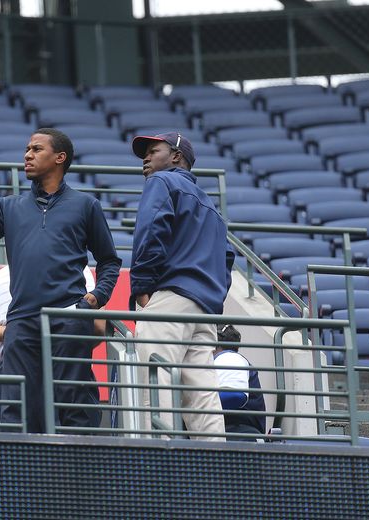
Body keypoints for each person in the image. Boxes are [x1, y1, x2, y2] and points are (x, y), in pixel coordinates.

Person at [0, 127, 121, 433]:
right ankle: (18, 474)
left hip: (68, 318)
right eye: (27, 149)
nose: (27, 155)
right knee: (15, 408)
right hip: (22, 321)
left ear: (60, 158)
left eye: (36, 149)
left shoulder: (85, 205)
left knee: (73, 406)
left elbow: (109, 262)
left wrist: (93, 300)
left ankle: (78, 476)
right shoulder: (9, 206)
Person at [130, 131, 235, 441]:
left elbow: (151, 231)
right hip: (203, 308)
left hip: (171, 297)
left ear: (176, 156)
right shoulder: (210, 204)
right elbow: (226, 257)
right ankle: (217, 467)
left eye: (153, 150)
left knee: (154, 381)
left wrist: (142, 286)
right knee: (202, 396)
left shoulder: (161, 182)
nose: (146, 158)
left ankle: (156, 468)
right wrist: (212, 300)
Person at [0, 265, 104, 424]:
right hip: (66, 366)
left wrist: (10, 333)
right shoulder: (75, 266)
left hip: (13, 371)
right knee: (76, 445)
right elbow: (98, 325)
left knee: (18, 446)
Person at [213, 324, 266, 440]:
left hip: (238, 437)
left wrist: (196, 400)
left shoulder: (229, 357)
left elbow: (234, 396)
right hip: (230, 435)